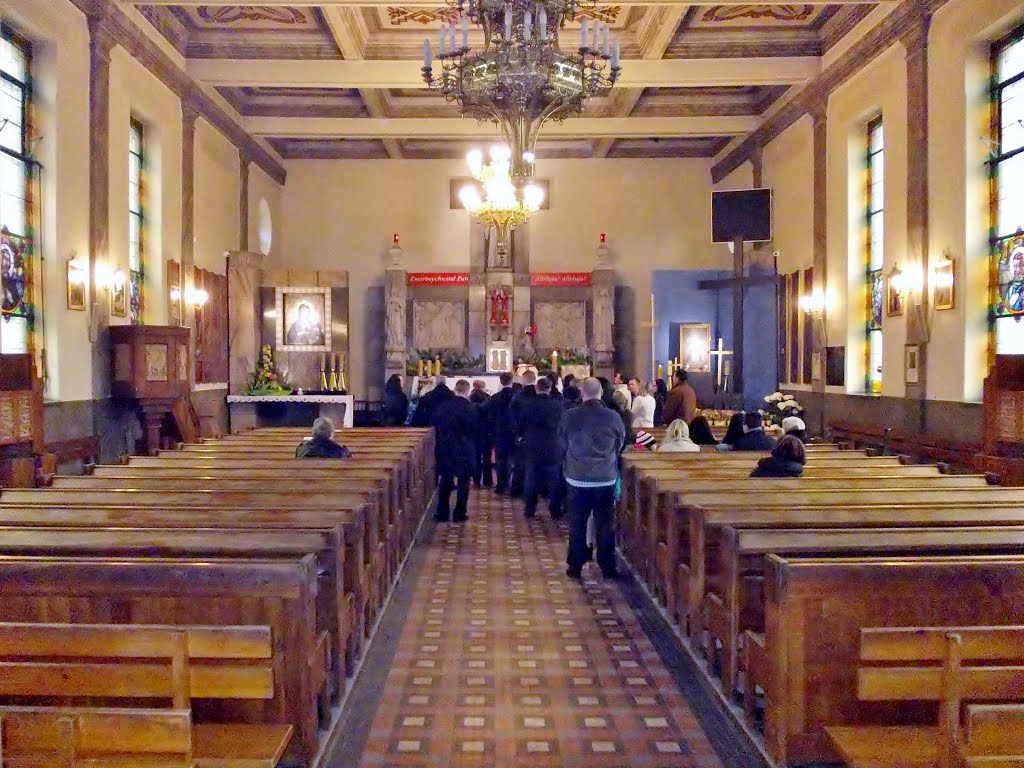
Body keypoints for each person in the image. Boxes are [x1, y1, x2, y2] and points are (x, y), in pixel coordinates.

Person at [560, 378, 626, 580]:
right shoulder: (613, 417)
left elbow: (562, 441)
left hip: (577, 476)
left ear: (582, 393)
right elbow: (620, 443)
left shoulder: (570, 415)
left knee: (577, 522)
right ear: (600, 393)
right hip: (604, 477)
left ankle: (575, 565)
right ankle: (607, 566)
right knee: (605, 523)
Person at [519, 377, 565, 518]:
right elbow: (562, 425)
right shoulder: (558, 405)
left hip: (532, 444)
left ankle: (530, 509)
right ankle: (555, 509)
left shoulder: (528, 405)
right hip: (552, 445)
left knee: (531, 479)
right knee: (554, 480)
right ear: (550, 388)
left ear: (537, 388)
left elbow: (520, 423)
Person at [432, 379, 477, 522]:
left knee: (446, 480)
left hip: (446, 447)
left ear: (455, 389)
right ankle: (460, 513)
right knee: (464, 482)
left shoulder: (444, 406)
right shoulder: (471, 408)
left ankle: (442, 512)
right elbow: (475, 429)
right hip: (464, 448)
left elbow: (436, 424)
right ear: (467, 391)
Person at [508, 369, 538, 497]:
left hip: (522, 435)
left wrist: (518, 433)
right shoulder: (540, 394)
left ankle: (517, 489)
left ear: (523, 381)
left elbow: (512, 416)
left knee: (520, 464)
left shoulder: (518, 396)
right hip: (538, 435)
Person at [487, 372, 517, 494]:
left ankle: (501, 485)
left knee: (501, 460)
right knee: (515, 460)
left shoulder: (494, 398)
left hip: (499, 432)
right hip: (515, 432)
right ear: (512, 381)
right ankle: (514, 486)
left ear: (500, 381)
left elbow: (490, 416)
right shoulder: (517, 396)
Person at [469, 380, 492, 486]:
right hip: (486, 431)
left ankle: (476, 479)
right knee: (487, 456)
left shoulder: (469, 398)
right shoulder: (488, 398)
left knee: (476, 456)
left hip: (474, 431)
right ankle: (488, 480)